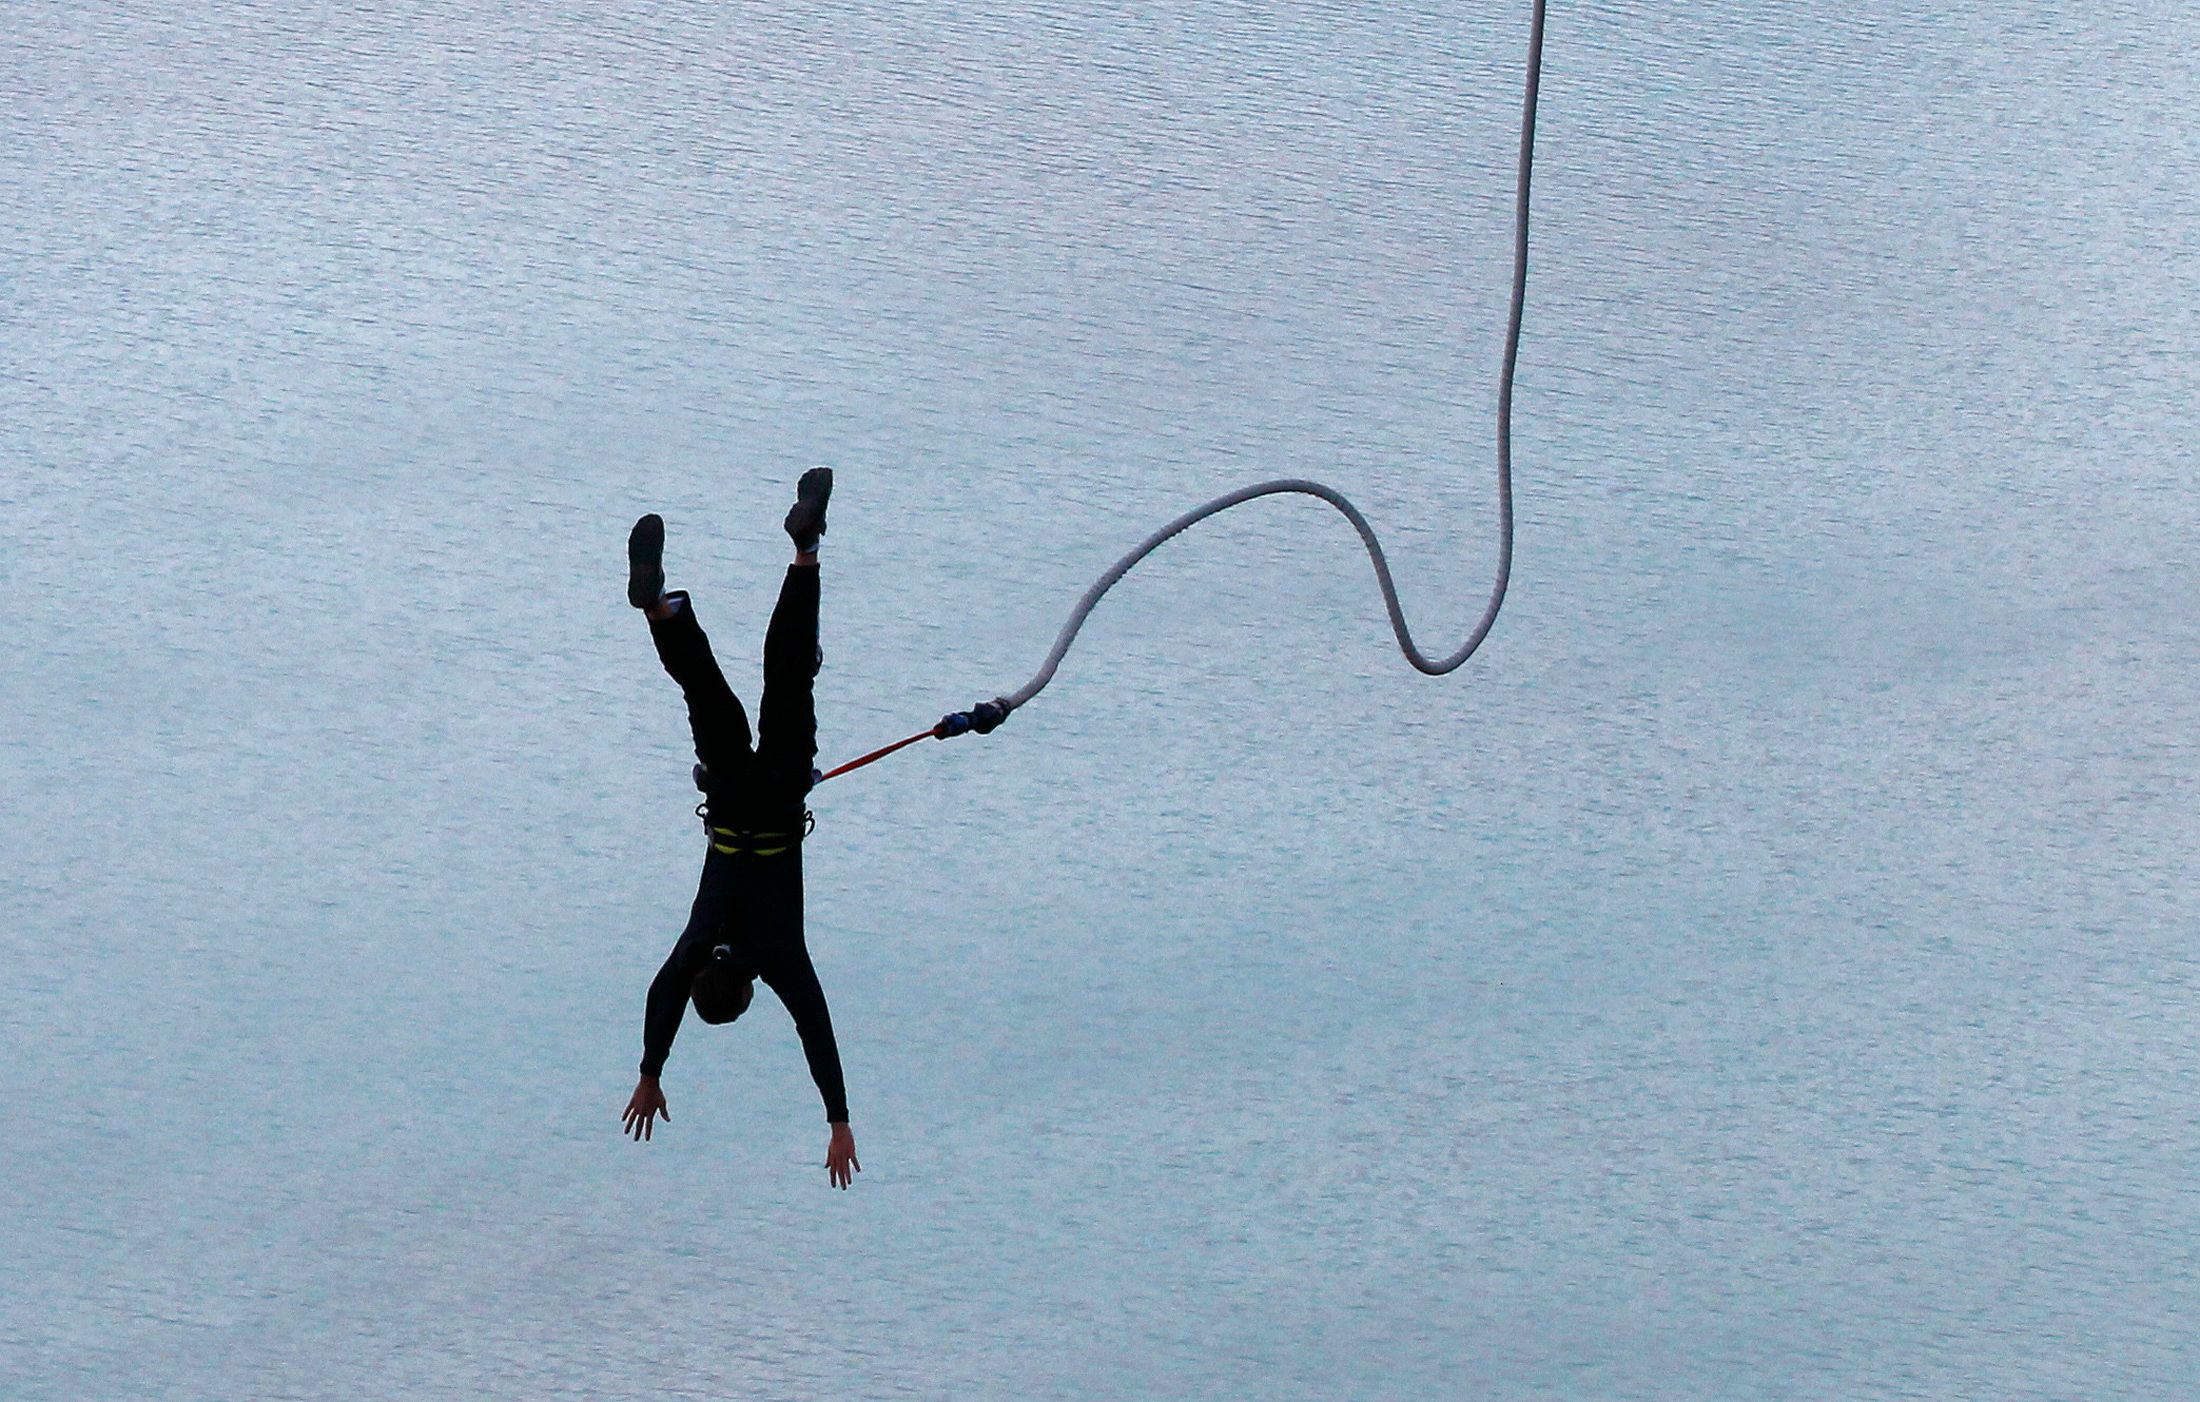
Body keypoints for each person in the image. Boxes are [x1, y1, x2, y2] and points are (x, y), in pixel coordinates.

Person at [619, 468, 860, 1190]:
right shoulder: (693, 954)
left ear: (748, 988)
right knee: (706, 692)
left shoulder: (779, 958)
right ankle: (661, 609)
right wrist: (648, 1071)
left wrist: (839, 1120)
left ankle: (806, 551)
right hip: (727, 798)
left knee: (790, 676)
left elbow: (816, 1033)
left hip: (779, 798)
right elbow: (661, 999)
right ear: (705, 976)